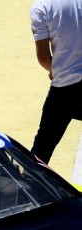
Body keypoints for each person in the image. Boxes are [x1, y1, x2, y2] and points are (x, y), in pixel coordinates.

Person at [30, 0, 82, 164]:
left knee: (42, 148)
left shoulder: (41, 8)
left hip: (65, 87)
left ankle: (31, 184)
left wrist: (55, 69)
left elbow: (44, 57)